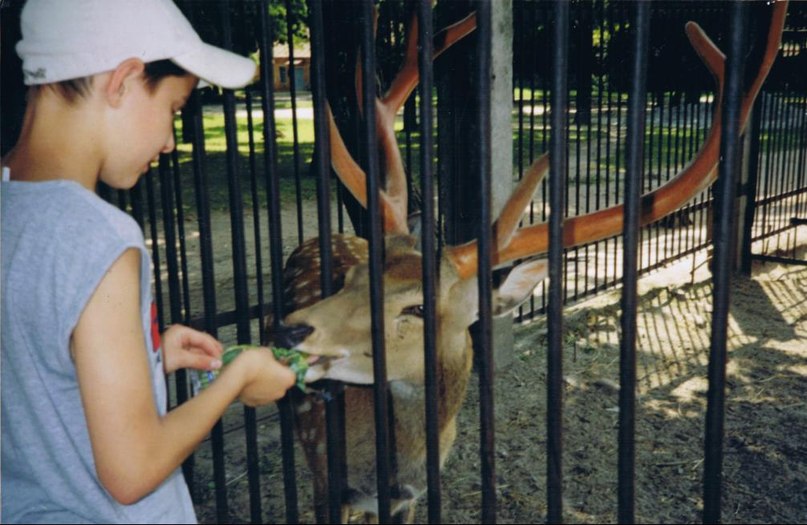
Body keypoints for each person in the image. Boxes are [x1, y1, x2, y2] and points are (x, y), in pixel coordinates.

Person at [0, 1, 297, 522]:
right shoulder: (99, 237)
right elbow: (132, 471)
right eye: (174, 109)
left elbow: (30, 366)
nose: (168, 141)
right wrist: (237, 378)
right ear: (124, 80)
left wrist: (147, 357)